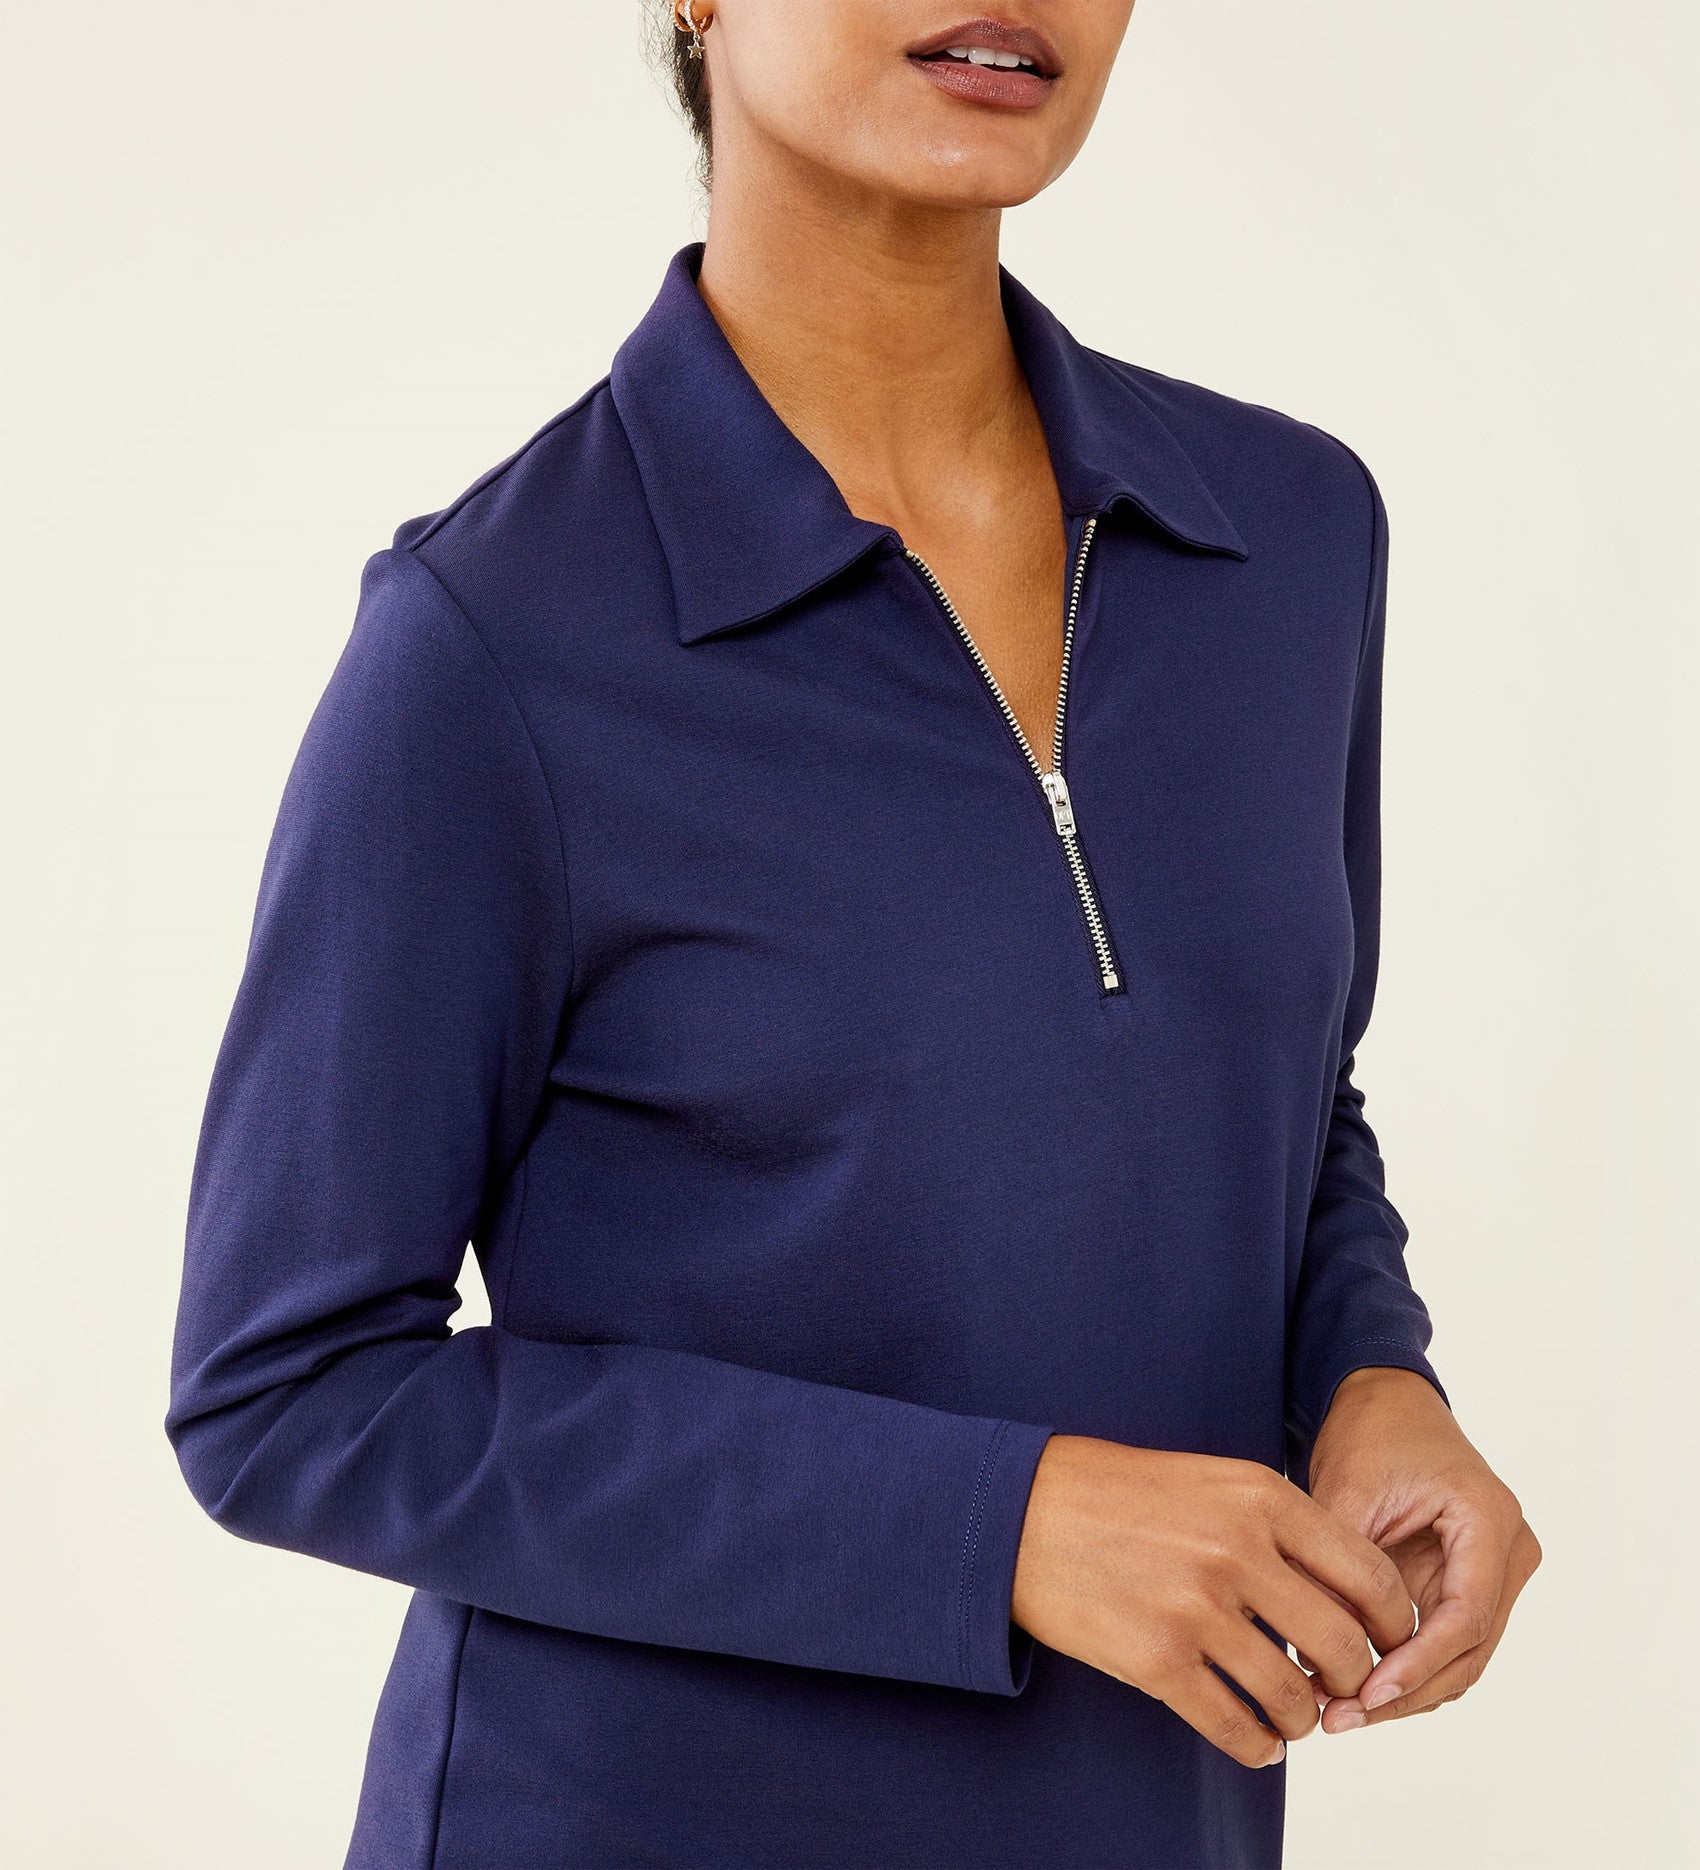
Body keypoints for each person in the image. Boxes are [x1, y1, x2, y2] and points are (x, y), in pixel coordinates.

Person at [164, 4, 1541, 1865]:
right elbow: (291, 1390)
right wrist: (1002, 1526)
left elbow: (1276, 1091)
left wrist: (1373, 1374)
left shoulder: (1289, 541)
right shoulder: (495, 636)